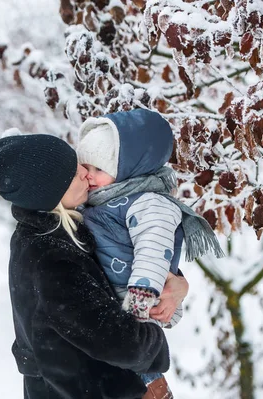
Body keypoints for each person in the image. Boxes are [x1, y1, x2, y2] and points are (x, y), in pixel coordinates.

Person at [0, 133, 189, 399]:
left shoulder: (61, 232)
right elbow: (119, 341)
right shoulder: (51, 256)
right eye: (72, 172)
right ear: (49, 191)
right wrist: (152, 340)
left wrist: (175, 282)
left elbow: (121, 264)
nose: (85, 174)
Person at [76, 108, 225, 390]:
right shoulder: (103, 201)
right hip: (111, 310)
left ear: (130, 168)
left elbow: (153, 251)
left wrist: (139, 305)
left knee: (139, 375)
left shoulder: (148, 203)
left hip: (134, 310)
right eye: (86, 167)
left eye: (100, 169)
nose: (90, 177)